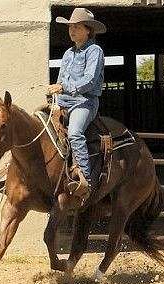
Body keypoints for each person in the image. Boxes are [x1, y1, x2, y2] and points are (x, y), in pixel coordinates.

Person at [48, 7, 106, 202]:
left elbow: (89, 81)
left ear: (88, 30)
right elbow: (60, 80)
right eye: (70, 27)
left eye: (76, 27)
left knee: (74, 132)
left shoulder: (94, 51)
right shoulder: (67, 54)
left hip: (85, 102)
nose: (71, 30)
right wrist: (56, 100)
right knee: (38, 123)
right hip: (64, 100)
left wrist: (64, 88)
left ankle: (85, 179)